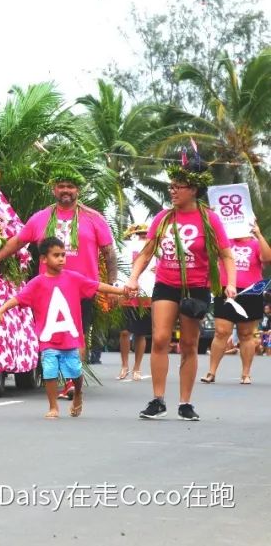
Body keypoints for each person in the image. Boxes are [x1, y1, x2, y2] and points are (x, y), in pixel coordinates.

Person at [0, 167, 117, 399]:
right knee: (50, 335)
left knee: (78, 334)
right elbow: (17, 241)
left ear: (78, 190)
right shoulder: (41, 217)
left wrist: (113, 287)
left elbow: (109, 252)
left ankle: (71, 383)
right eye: (61, 186)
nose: (66, 191)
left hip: (80, 289)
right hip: (47, 289)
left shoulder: (93, 218)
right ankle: (58, 376)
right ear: (54, 189)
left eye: (71, 186)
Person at [126, 155, 235, 421]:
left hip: (196, 287)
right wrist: (133, 277)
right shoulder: (162, 218)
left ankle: (185, 402)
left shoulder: (209, 220)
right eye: (171, 186)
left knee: (189, 344)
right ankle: (158, 400)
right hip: (166, 283)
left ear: (194, 189)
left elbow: (226, 255)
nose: (172, 191)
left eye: (179, 186)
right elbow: (146, 252)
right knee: (160, 338)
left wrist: (230, 283)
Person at [0, 238, 129, 418]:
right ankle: (53, 407)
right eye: (56, 255)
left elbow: (97, 286)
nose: (61, 259)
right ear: (43, 259)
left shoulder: (74, 278)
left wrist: (121, 290)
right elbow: (18, 299)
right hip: (48, 339)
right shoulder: (37, 283)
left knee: (75, 371)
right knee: (50, 372)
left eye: (63, 255)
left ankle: (78, 394)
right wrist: (0, 311)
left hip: (70, 338)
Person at [202, 222, 271, 385]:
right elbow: (208, 248)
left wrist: (259, 234)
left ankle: (245, 373)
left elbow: (267, 258)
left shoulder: (255, 243)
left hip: (251, 292)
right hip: (226, 289)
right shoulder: (225, 241)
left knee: (246, 334)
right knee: (221, 331)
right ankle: (211, 372)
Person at [117, 224, 155, 381]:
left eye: (145, 234)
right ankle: (124, 365)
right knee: (124, 331)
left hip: (146, 293)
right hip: (127, 291)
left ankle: (137, 367)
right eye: (139, 234)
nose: (142, 237)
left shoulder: (155, 250)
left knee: (140, 333)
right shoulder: (125, 249)